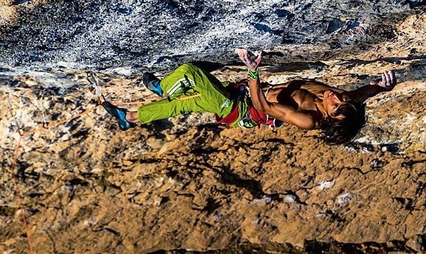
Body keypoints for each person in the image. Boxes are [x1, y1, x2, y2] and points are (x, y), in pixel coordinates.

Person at [102, 49, 397, 144]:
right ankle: (129, 118)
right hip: (242, 97)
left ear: (330, 116)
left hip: (240, 108)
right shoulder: (343, 100)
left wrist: (253, 71)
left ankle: (165, 87)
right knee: (190, 101)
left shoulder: (307, 120)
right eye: (343, 99)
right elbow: (358, 96)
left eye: (337, 104)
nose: (336, 96)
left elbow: (264, 105)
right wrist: (378, 88)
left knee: (191, 74)